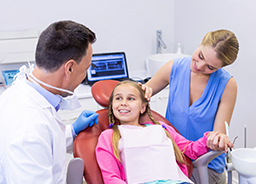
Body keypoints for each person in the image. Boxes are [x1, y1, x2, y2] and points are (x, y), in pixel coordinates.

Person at [0, 20, 99, 183]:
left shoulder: (16, 93)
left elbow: (45, 143)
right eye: (85, 69)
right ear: (69, 68)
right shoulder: (29, 128)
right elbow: (35, 139)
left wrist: (72, 131)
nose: (84, 77)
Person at [141, 29, 239, 184]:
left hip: (205, 163)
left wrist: (218, 139)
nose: (199, 66)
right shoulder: (174, 67)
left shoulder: (227, 85)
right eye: (200, 56)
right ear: (201, 43)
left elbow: (217, 134)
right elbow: (144, 92)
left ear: (220, 68)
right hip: (171, 154)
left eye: (210, 67)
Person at [95, 80, 233, 184]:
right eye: (118, 98)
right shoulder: (109, 136)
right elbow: (111, 178)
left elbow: (191, 149)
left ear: (143, 107)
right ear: (112, 105)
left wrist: (212, 139)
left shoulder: (162, 128)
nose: (123, 103)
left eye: (130, 98)